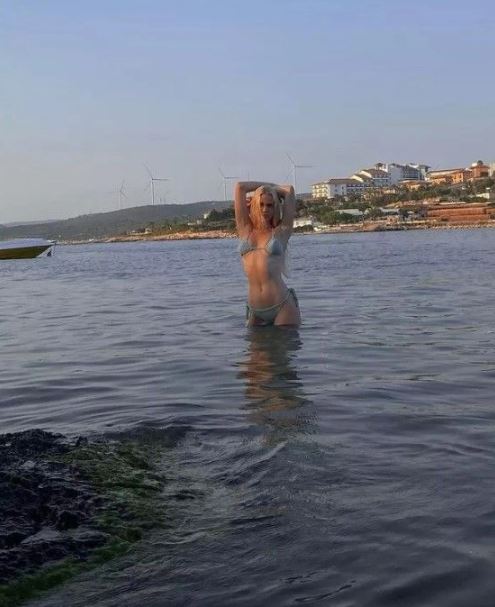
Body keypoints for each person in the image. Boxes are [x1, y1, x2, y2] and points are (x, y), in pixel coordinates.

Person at [234, 181, 301, 326]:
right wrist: (265, 187)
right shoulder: (245, 229)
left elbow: (289, 190)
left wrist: (270, 189)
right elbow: (240, 187)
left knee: (283, 340)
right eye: (261, 204)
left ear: (276, 206)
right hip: (255, 309)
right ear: (254, 204)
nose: (265, 209)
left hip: (282, 306)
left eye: (270, 205)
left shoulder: (281, 231)